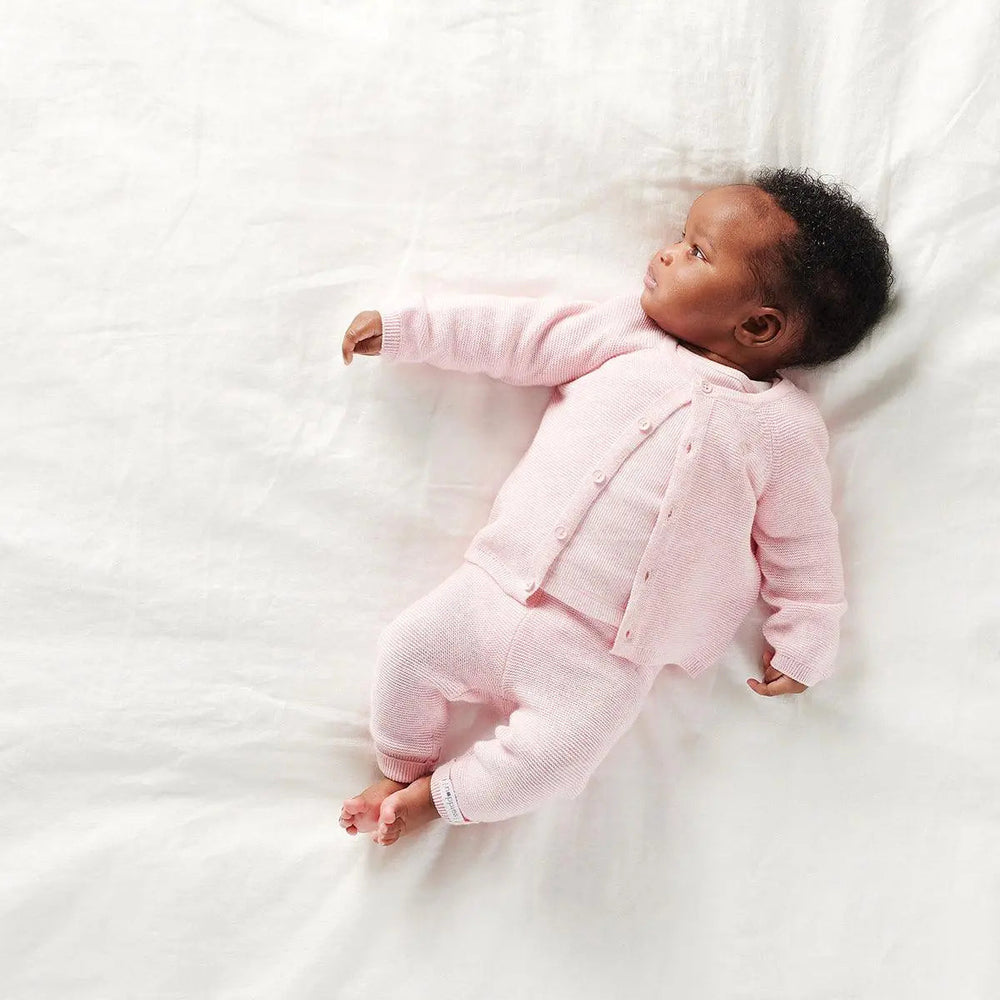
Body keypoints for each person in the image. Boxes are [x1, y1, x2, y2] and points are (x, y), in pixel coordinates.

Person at [338, 167, 894, 847]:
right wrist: (409, 330)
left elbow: (802, 544)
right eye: (681, 238)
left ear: (757, 324)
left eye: (696, 251)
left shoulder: (784, 429)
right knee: (406, 650)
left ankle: (438, 798)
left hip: (607, 654)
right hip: (495, 586)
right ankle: (399, 772)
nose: (666, 253)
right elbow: (518, 336)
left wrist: (806, 634)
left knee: (558, 761)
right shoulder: (624, 334)